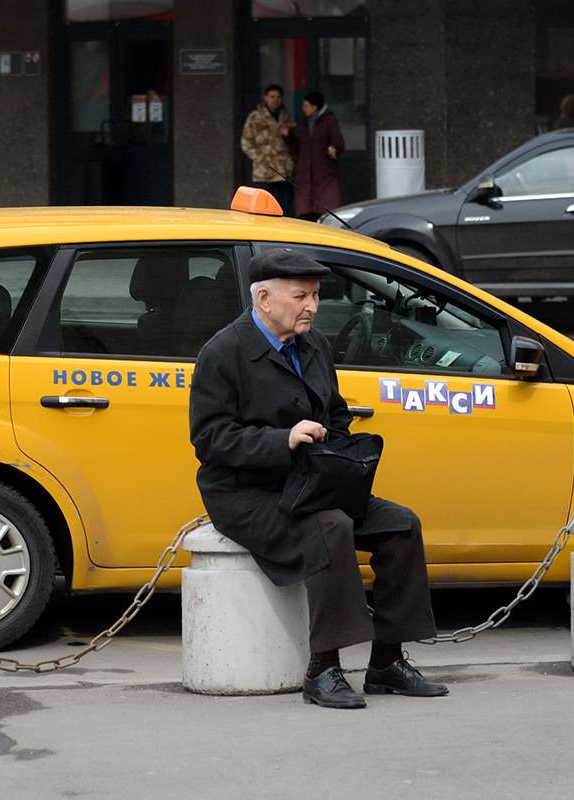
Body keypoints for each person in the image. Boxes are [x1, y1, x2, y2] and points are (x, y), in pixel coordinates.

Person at [189, 248, 448, 710]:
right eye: (301, 296)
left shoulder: (313, 345)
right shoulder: (223, 352)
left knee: (401, 525)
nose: (312, 306)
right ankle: (323, 669)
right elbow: (210, 441)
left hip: (313, 482)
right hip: (247, 493)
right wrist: (282, 439)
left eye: (315, 295)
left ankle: (387, 664)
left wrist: (340, 453)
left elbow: (336, 412)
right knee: (332, 527)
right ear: (265, 298)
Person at [240, 84, 296, 216]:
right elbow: (246, 142)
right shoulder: (255, 117)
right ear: (265, 98)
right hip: (263, 171)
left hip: (284, 170)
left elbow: (296, 142)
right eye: (272, 97)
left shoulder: (287, 117)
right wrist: (260, 158)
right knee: (264, 209)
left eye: (278, 97)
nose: (275, 100)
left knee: (286, 208)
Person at [289, 91, 345, 221]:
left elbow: (338, 141)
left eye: (306, 106)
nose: (303, 109)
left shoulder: (329, 120)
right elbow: (296, 145)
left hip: (323, 172)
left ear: (315, 107)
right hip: (305, 173)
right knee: (305, 210)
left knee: (326, 208)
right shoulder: (303, 123)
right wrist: (288, 135)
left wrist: (334, 149)